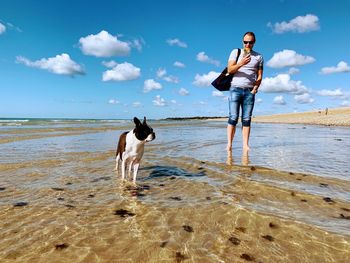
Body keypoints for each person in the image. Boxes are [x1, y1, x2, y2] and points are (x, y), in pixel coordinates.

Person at [226, 31, 263, 152]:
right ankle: (229, 145)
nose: (247, 44)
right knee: (233, 117)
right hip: (235, 89)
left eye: (250, 42)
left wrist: (255, 89)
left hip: (249, 91)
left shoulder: (259, 57)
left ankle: (245, 145)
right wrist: (241, 62)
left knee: (246, 119)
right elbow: (230, 69)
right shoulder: (235, 52)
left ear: (254, 42)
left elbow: (259, 76)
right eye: (245, 42)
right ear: (242, 41)